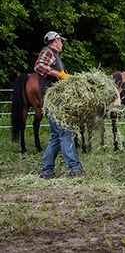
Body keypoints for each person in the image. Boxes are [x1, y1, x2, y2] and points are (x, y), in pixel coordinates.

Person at [34, 31, 83, 179]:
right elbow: (39, 66)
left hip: (54, 102)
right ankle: (75, 169)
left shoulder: (55, 56)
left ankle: (46, 171)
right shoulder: (48, 52)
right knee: (65, 132)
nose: (62, 44)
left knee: (56, 137)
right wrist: (59, 74)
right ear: (55, 41)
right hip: (53, 102)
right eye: (60, 41)